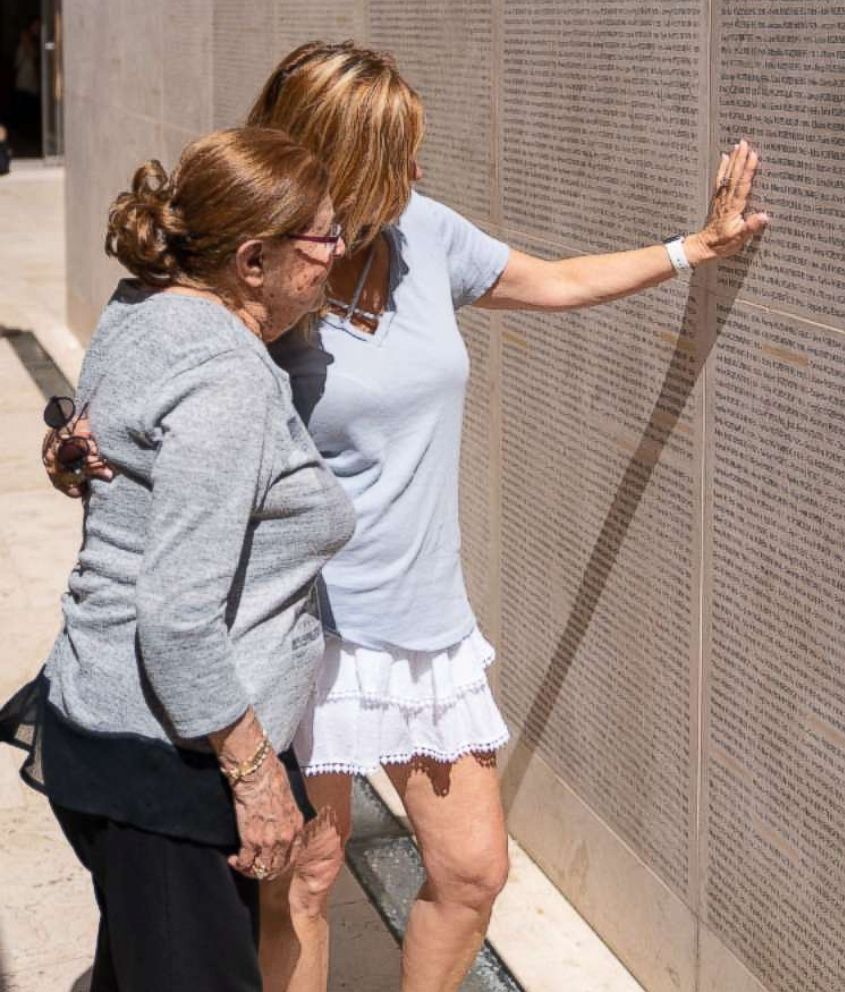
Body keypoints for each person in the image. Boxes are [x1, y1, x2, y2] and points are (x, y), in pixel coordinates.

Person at [45, 42, 768, 992]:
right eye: (398, 154)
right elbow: (157, 385)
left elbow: (549, 281)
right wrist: (77, 444)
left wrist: (692, 250)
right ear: (332, 163)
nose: (419, 173)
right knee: (304, 878)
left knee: (472, 872)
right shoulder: (257, 276)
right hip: (302, 623)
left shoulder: (422, 232)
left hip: (421, 613)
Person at [4, 126, 355, 992]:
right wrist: (256, 777)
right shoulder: (227, 380)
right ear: (251, 259)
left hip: (102, 726)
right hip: (171, 767)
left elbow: (119, 458)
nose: (341, 252)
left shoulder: (147, 307)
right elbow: (177, 616)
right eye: (325, 237)